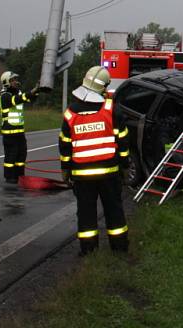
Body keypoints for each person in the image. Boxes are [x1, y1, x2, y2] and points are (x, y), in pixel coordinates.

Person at [59, 66, 130, 256]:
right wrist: (125, 167)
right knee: (114, 209)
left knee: (86, 214)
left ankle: (89, 251)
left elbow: (65, 147)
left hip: (82, 177)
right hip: (109, 173)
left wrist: (65, 170)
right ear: (104, 87)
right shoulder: (111, 110)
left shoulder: (70, 114)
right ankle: (120, 248)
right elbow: (122, 143)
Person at [0, 71, 40, 184]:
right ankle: (10, 178)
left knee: (22, 155)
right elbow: (16, 100)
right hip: (9, 133)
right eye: (13, 80)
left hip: (19, 132)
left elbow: (30, 99)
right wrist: (31, 91)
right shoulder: (5, 96)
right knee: (11, 157)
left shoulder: (18, 93)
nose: (16, 82)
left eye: (16, 80)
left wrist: (37, 91)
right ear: (6, 82)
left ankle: (20, 176)